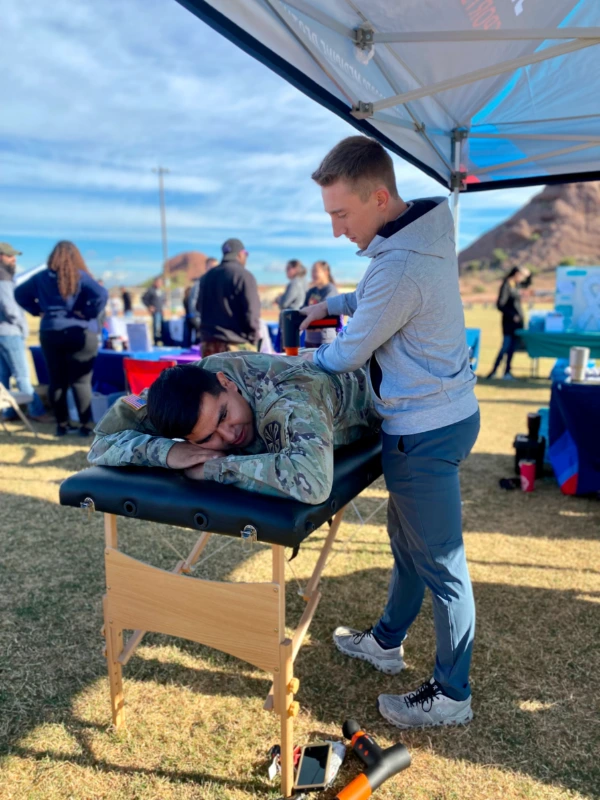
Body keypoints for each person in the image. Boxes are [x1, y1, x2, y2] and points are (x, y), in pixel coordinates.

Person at [300, 136, 480, 729]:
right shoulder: (425, 230)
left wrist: (294, 365)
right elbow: (384, 293)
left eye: (342, 214)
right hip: (445, 413)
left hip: (422, 429)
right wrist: (339, 298)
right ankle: (385, 642)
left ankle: (452, 693)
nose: (336, 231)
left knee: (442, 565)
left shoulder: (399, 264)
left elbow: (347, 354)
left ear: (379, 198)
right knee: (408, 545)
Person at [87, 352, 378, 504]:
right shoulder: (182, 390)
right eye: (207, 438)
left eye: (224, 415)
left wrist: (215, 467)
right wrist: (169, 451)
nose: (229, 434)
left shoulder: (289, 394)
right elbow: (101, 442)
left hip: (377, 387)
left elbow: (312, 481)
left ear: (227, 383)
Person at [15, 240, 107, 437]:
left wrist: (37, 310)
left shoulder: (40, 277)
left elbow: (19, 293)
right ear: (76, 257)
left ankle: (62, 426)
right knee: (81, 383)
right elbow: (101, 294)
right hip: (78, 332)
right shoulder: (80, 276)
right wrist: (87, 313)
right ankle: (84, 426)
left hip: (51, 332)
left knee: (57, 382)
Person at [0, 242, 46, 420]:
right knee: (22, 375)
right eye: (10, 256)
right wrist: (21, 328)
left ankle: (8, 411)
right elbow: (10, 308)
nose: (14, 260)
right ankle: (37, 411)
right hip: (10, 333)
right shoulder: (3, 278)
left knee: (4, 375)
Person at [486, 266, 531, 380]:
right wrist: (512, 315)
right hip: (509, 323)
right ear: (515, 274)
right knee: (505, 346)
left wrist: (528, 274)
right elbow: (500, 304)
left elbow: (528, 283)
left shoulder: (515, 285)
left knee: (511, 348)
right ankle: (494, 371)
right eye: (520, 275)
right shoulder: (506, 285)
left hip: (517, 323)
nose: (522, 278)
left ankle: (507, 372)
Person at [304, 261, 339, 347]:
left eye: (315, 271)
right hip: (310, 339)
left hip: (325, 340)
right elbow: (303, 309)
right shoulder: (311, 291)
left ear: (326, 272)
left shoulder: (330, 290)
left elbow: (323, 310)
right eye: (312, 271)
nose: (313, 274)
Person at [142, 277, 165, 345]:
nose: (160, 284)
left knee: (162, 326)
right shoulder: (151, 290)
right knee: (156, 327)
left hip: (160, 311)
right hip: (156, 312)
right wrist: (149, 306)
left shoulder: (161, 291)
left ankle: (161, 340)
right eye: (158, 282)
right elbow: (144, 299)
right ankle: (156, 342)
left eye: (161, 282)